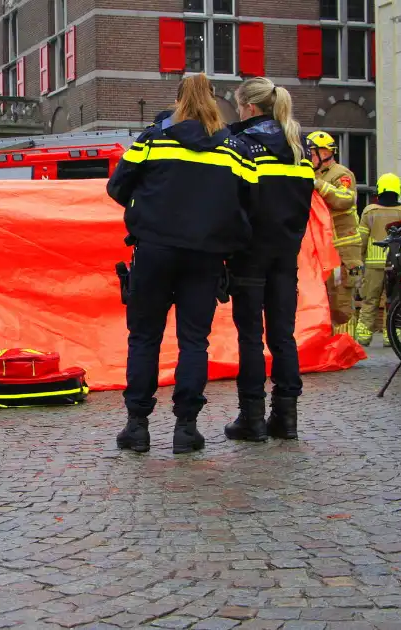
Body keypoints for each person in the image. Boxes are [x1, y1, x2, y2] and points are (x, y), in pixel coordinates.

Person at [107, 74, 256, 455]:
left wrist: (150, 210)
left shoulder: (151, 141)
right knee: (194, 341)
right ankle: (186, 430)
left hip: (154, 250)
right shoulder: (233, 148)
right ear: (212, 100)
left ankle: (137, 427)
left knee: (144, 338)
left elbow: (116, 187)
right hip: (204, 256)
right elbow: (248, 200)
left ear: (177, 102)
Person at [222, 77, 313, 442]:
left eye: (239, 105)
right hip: (285, 253)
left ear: (250, 108)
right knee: (283, 337)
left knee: (250, 337)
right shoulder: (298, 146)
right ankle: (286, 418)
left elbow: (233, 203)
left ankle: (252, 418)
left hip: (250, 255)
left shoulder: (241, 144)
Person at [307, 131, 362, 337]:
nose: (310, 158)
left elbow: (344, 199)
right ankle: (332, 344)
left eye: (312, 153)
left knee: (342, 302)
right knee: (327, 298)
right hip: (326, 250)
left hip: (344, 251)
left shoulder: (341, 175)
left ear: (324, 152)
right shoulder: (316, 173)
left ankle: (346, 345)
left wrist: (318, 185)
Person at [356, 173, 401, 347]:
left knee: (369, 300)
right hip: (397, 264)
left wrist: (358, 260)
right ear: (398, 190)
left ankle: (363, 336)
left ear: (379, 189)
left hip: (373, 265)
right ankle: (391, 336)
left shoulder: (369, 211)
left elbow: (362, 239)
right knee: (394, 300)